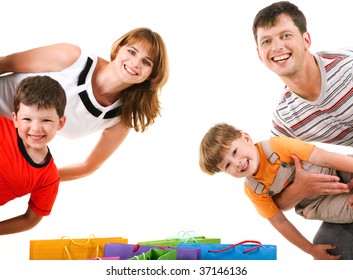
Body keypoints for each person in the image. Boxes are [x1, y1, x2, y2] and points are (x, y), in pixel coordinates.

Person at [0, 27, 169, 181]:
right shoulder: (73, 58)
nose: (136, 63)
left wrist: (40, 177)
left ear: (151, 74)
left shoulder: (119, 118)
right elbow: (5, 62)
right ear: (118, 49)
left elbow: (89, 165)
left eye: (147, 62)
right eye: (132, 52)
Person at [252, 1, 353, 258]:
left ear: (306, 39)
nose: (277, 47)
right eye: (266, 41)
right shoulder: (285, 121)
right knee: (332, 250)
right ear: (259, 55)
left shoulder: (347, 67)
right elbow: (279, 204)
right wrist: (301, 189)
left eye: (285, 35)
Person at [199, 122, 353, 259]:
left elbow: (325, 158)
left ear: (246, 138)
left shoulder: (278, 146)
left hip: (335, 170)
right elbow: (280, 221)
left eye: (234, 152)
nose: (237, 163)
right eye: (227, 165)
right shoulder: (254, 190)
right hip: (319, 203)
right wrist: (310, 249)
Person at [0, 75, 66, 235]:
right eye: (27, 119)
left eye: (46, 120)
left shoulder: (48, 178)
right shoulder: (3, 125)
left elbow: (30, 219)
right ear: (15, 119)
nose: (36, 128)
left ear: (60, 123)